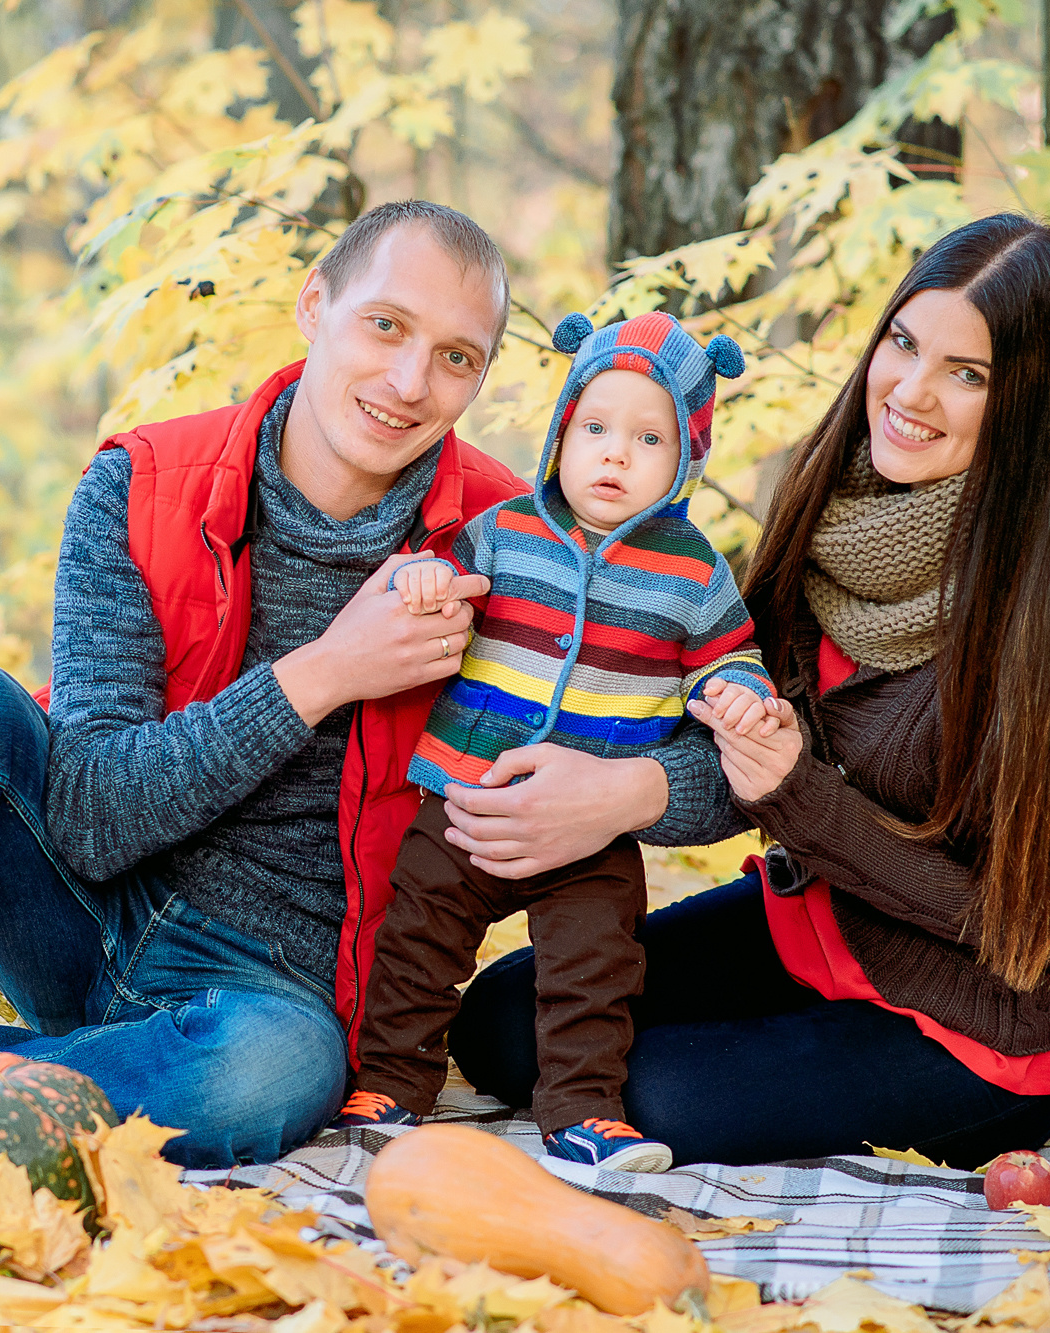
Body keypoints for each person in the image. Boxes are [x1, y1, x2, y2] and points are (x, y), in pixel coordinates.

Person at [0, 200, 748, 1205]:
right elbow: (93, 815)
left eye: (455, 356)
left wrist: (628, 786)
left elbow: (725, 756)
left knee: (278, 1076)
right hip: (79, 903)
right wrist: (327, 671)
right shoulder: (145, 484)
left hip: (269, 991)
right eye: (383, 325)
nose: (408, 378)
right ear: (313, 309)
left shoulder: (508, 543)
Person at [448, 214, 1050, 1169]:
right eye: (904, 342)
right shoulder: (834, 505)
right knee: (503, 1025)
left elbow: (1011, 924)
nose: (911, 391)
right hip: (817, 927)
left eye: (968, 374)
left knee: (654, 1092)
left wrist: (796, 792)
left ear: (1032, 403)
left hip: (977, 1023)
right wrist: (608, 788)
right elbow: (734, 725)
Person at [329, 311, 778, 1172]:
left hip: (592, 825)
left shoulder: (695, 574)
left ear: (687, 456)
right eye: (595, 428)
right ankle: (393, 1079)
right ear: (561, 432)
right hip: (469, 793)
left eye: (649, 438)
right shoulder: (506, 530)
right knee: (417, 934)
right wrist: (422, 578)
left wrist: (740, 691)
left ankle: (582, 1108)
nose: (615, 454)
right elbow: (442, 585)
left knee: (595, 965)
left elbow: (729, 655)